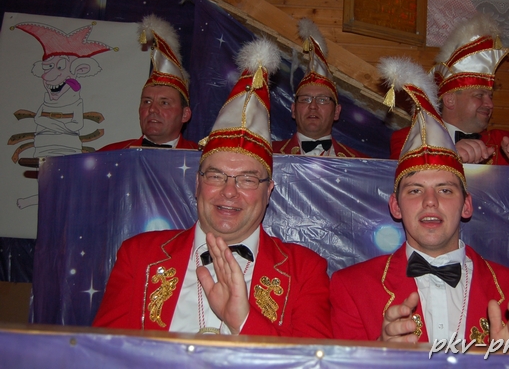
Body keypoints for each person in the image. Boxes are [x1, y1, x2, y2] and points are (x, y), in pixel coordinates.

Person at [93, 38, 332, 338]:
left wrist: (244, 322)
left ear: (268, 191)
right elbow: (100, 353)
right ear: (197, 183)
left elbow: (312, 358)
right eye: (216, 176)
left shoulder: (304, 270)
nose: (229, 192)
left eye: (247, 179)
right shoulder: (139, 256)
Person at [331, 57, 509, 344]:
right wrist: (380, 354)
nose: (430, 202)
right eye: (415, 190)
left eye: (445, 190)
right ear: (395, 206)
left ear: (467, 205)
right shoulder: (351, 289)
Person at [389, 14, 509, 167]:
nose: (490, 104)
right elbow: (400, 179)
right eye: (479, 95)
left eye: (490, 97)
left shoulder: (506, 144)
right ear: (450, 100)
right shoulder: (410, 139)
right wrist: (450, 158)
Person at [99, 15, 198, 151]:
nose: (152, 109)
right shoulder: (108, 155)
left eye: (164, 103)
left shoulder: (204, 159)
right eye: (147, 101)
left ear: (185, 114)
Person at [272, 18, 368, 158]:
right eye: (305, 99)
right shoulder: (266, 156)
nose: (313, 106)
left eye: (322, 100)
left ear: (336, 112)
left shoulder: (363, 163)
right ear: (293, 110)